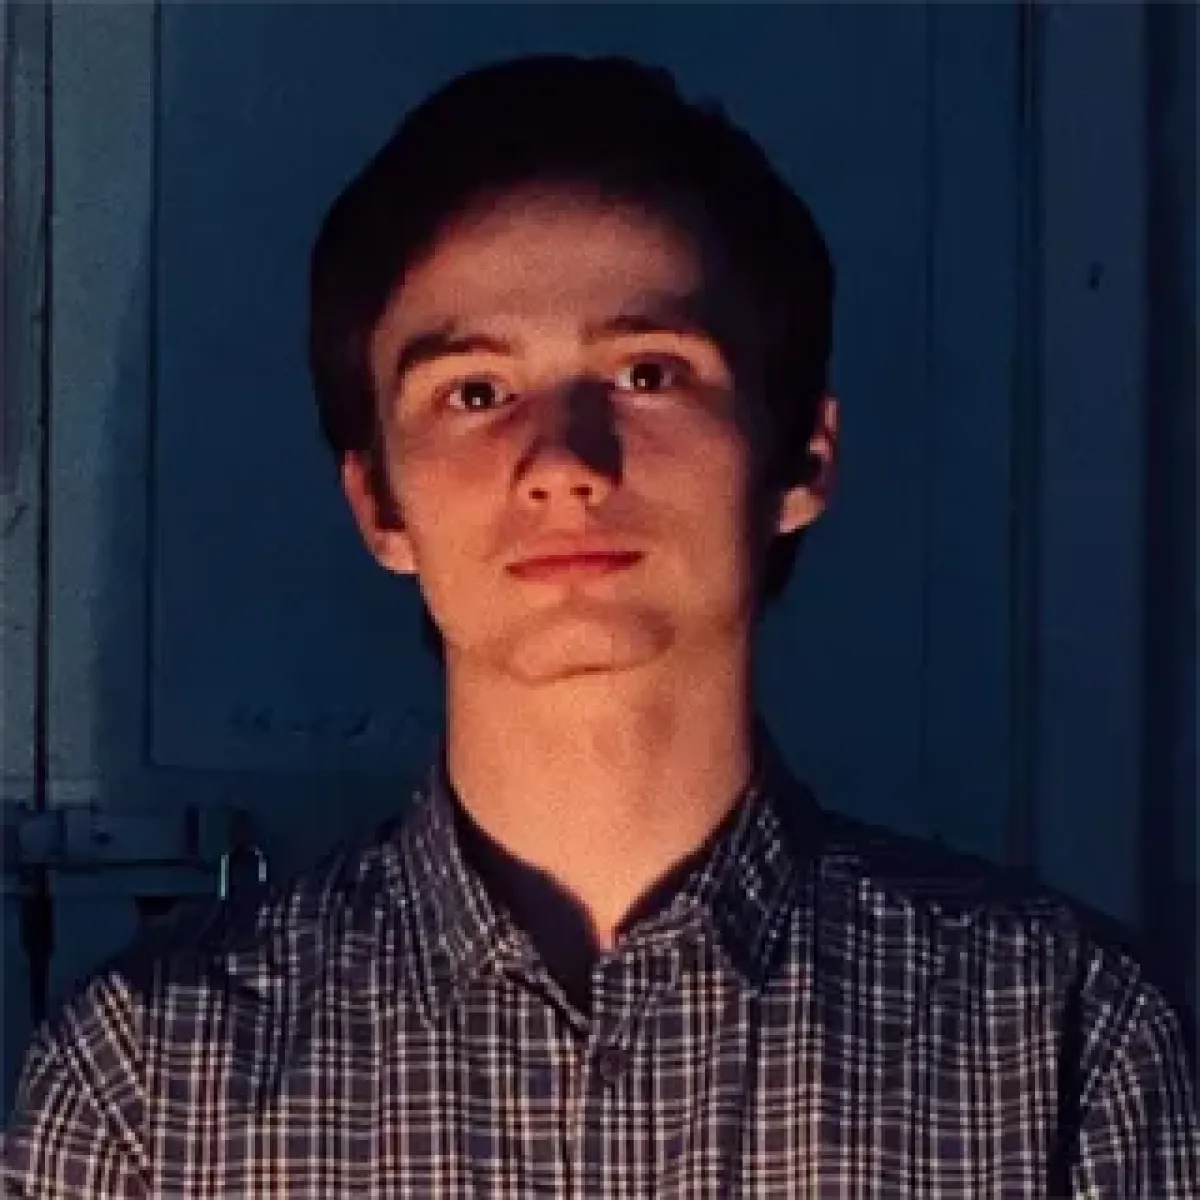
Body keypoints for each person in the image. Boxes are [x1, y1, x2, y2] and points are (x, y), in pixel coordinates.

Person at [3, 53, 1197, 1197]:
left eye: (647, 374)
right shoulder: (150, 1087)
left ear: (801, 455)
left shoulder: (1058, 1042)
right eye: (475, 392)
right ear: (378, 503)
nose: (563, 463)